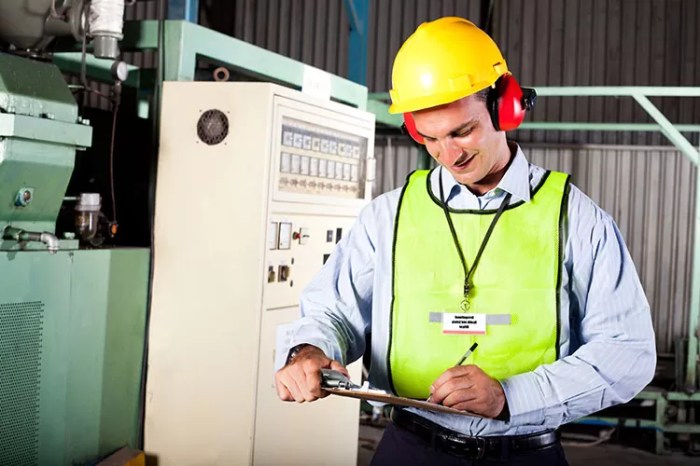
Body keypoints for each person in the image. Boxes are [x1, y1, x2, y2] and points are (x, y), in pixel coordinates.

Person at [274, 16, 656, 465]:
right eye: (430, 138)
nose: (449, 155)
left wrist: (510, 395)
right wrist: (309, 351)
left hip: (524, 453)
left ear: (505, 106)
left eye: (462, 131)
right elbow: (333, 311)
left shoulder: (577, 219)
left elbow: (627, 353)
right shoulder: (387, 216)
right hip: (409, 448)